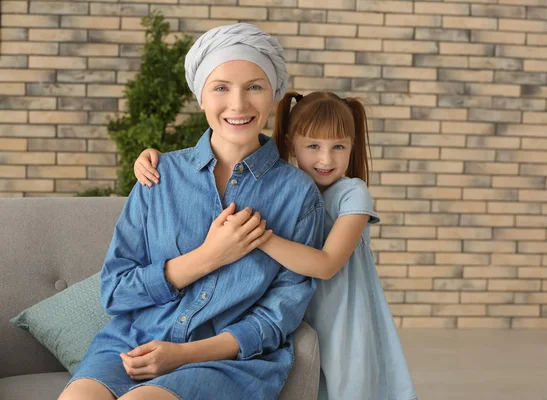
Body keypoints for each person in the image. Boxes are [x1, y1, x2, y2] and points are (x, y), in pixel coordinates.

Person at [58, 23, 325, 400]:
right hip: (134, 343)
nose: (238, 104)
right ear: (200, 96)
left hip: (228, 361)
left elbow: (278, 316)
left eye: (254, 87)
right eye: (221, 87)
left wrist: (183, 354)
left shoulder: (297, 195)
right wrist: (208, 257)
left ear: (274, 97)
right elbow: (115, 292)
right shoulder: (158, 176)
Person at [134, 91, 418, 400]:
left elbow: (326, 265)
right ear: (292, 143)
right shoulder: (288, 189)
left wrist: (259, 236)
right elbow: (230, 148)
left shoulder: (353, 194)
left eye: (338, 146)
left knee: (351, 386)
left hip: (342, 314)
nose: (326, 159)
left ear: (352, 147)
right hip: (296, 310)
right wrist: (150, 156)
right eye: (313, 146)